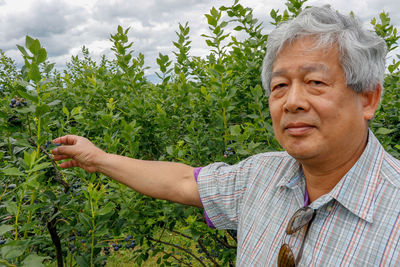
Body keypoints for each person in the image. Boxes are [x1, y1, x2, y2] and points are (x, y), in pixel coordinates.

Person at [51, 5, 400, 266]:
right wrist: (95, 157)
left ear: (368, 98)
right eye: (279, 86)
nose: (292, 102)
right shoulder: (262, 176)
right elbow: (185, 181)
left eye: (316, 83)